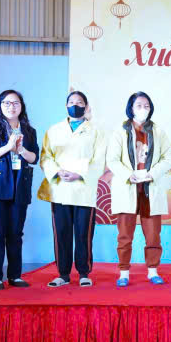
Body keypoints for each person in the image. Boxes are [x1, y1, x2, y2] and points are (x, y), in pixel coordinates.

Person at [38, 91, 106, 288]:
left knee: (84, 233)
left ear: (86, 106)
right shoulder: (54, 130)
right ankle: (63, 274)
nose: (75, 105)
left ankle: (84, 273)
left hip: (83, 189)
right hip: (60, 188)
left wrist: (79, 174)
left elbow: (99, 160)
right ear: (66, 106)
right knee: (61, 232)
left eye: (80, 102)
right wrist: (57, 171)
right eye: (71, 102)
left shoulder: (96, 131)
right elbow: (45, 157)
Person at [106, 92, 171, 287]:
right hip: (128, 187)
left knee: (153, 235)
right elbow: (112, 160)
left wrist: (152, 173)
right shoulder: (120, 131)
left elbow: (168, 158)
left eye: (146, 106)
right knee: (124, 235)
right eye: (138, 105)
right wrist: (129, 175)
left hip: (149, 188)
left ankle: (153, 271)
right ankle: (124, 273)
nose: (143, 109)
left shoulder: (158, 132)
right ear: (131, 108)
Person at [0, 90, 38, 290]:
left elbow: (34, 158)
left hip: (20, 185)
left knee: (15, 233)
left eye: (15, 103)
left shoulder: (29, 131)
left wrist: (21, 150)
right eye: (7, 103)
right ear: (0, 106)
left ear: (21, 106)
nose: (11, 106)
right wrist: (8, 147)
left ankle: (15, 276)